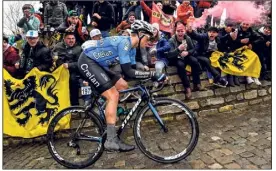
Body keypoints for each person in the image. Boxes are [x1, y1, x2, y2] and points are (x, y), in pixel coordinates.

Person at [77, 20, 166, 152]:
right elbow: (128, 71)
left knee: (122, 85)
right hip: (87, 61)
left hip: (98, 64)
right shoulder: (125, 42)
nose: (149, 42)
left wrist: (149, 73)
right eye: (148, 38)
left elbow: (131, 68)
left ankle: (101, 105)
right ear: (141, 34)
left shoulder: (130, 46)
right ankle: (111, 140)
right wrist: (152, 75)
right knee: (113, 95)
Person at [52, 32, 82, 106]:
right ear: (64, 39)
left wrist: (69, 65)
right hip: (59, 70)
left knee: (72, 80)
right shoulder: (57, 46)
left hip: (73, 71)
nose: (71, 40)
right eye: (69, 38)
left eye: (73, 38)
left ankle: (75, 105)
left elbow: (80, 63)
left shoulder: (78, 49)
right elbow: (53, 57)